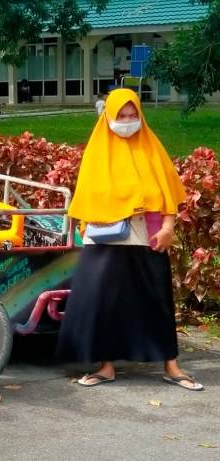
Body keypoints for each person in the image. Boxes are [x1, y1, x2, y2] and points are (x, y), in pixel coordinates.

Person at [56, 89, 202, 391]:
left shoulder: (151, 148)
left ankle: (171, 365)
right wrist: (86, 222)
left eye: (132, 115)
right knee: (105, 302)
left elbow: (167, 192)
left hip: (147, 234)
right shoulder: (97, 151)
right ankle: (106, 367)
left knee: (156, 300)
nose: (126, 121)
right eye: (120, 116)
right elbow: (87, 195)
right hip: (105, 236)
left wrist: (168, 226)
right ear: (108, 116)